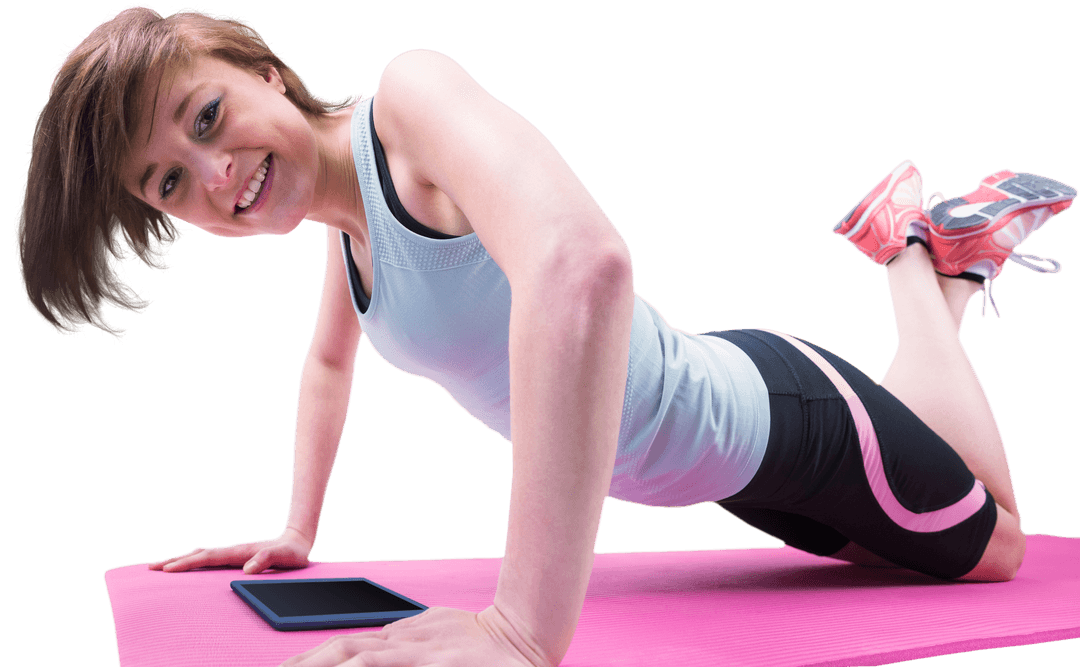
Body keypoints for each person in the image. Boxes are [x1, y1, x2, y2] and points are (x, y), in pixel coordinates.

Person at [14, 5, 1076, 667]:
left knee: (1000, 548)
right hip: (723, 477)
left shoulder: (410, 110)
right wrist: (295, 531)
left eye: (204, 118)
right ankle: (934, 258)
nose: (214, 177)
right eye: (169, 183)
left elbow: (583, 266)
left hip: (776, 420)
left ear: (260, 69)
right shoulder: (346, 241)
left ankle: (911, 259)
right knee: (913, 520)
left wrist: (523, 626)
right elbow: (328, 365)